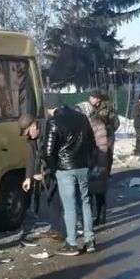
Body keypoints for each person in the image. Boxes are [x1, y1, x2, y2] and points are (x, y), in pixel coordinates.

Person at [44, 101, 98, 256]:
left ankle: (72, 243)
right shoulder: (82, 118)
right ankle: (90, 240)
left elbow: (48, 152)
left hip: (65, 169)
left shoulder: (53, 122)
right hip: (83, 166)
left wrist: (53, 168)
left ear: (50, 108)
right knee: (85, 202)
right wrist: (88, 162)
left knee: (69, 206)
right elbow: (92, 143)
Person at [20, 114, 63, 241]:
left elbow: (56, 156)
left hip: (57, 170)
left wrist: (45, 174)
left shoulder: (49, 130)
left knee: (58, 200)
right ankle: (55, 227)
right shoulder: (34, 139)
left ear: (34, 126)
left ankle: (63, 231)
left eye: (28, 132)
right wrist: (28, 177)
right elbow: (32, 158)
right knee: (48, 199)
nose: (28, 136)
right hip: (46, 172)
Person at [86, 106, 112, 226]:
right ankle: (100, 216)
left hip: (95, 162)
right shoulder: (102, 125)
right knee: (99, 191)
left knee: (91, 191)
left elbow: (98, 145)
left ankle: (92, 217)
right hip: (102, 162)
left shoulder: (94, 126)